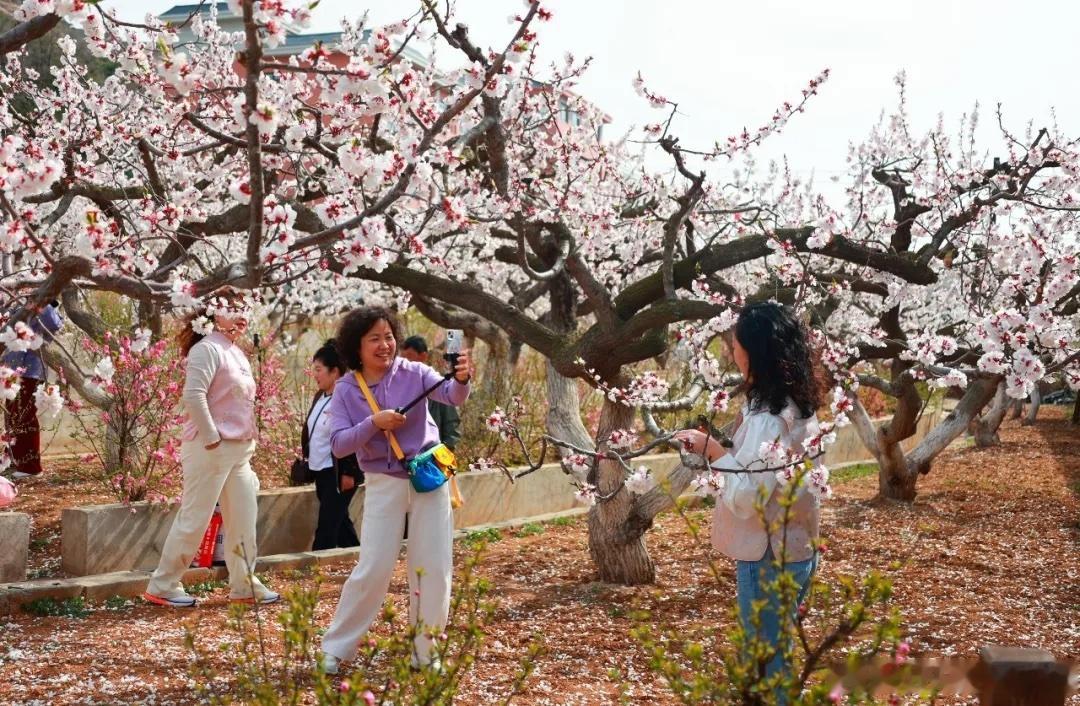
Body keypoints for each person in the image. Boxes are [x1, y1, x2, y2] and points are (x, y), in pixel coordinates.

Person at [675, 301, 822, 699]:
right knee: (779, 654)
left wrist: (713, 452)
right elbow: (766, 472)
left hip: (767, 554)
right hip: (798, 546)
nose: (731, 350)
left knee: (766, 663)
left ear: (753, 351)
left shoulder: (767, 417)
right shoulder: (797, 405)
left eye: (736, 343)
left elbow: (747, 497)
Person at [320, 306, 472, 675]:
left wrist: (463, 377)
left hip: (429, 476)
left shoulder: (416, 372)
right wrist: (374, 422)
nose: (384, 345)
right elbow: (339, 445)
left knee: (434, 566)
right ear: (356, 347)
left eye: (388, 336)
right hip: (383, 482)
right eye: (374, 338)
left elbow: (451, 395)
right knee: (374, 566)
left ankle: (426, 650)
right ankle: (337, 648)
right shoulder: (346, 389)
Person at [143, 291, 278, 608]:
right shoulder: (206, 349)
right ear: (213, 313)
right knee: (195, 518)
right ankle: (163, 585)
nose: (242, 315)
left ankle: (244, 584)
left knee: (244, 519)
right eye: (233, 309)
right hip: (210, 448)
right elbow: (194, 396)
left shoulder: (238, 353)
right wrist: (212, 438)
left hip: (240, 451)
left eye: (245, 309)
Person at [304, 339, 361, 550]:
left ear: (334, 372)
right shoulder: (320, 396)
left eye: (319, 370)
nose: (315, 375)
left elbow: (353, 436)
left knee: (326, 528)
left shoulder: (347, 397)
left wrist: (349, 472)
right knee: (341, 524)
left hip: (338, 472)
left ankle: (313, 571)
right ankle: (356, 555)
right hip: (320, 471)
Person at [3, 301, 62, 479]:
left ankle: (30, 466)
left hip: (30, 370)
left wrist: (42, 304)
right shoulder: (16, 304)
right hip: (12, 370)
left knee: (25, 416)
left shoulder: (46, 305)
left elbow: (54, 324)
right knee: (12, 416)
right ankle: (15, 460)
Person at [400, 336, 462, 451]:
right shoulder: (399, 385)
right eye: (401, 358)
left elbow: (451, 424)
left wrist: (445, 451)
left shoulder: (436, 383)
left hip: (433, 454)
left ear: (423, 356)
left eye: (409, 357)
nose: (404, 363)